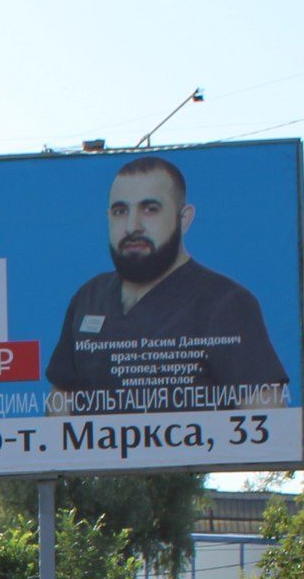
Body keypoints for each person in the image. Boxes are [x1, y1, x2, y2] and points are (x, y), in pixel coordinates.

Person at [43, 155, 288, 413]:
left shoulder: (226, 304)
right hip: (99, 453)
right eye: (120, 211)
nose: (131, 226)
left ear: (184, 218)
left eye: (149, 209)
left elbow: (267, 421)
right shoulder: (89, 297)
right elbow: (60, 406)